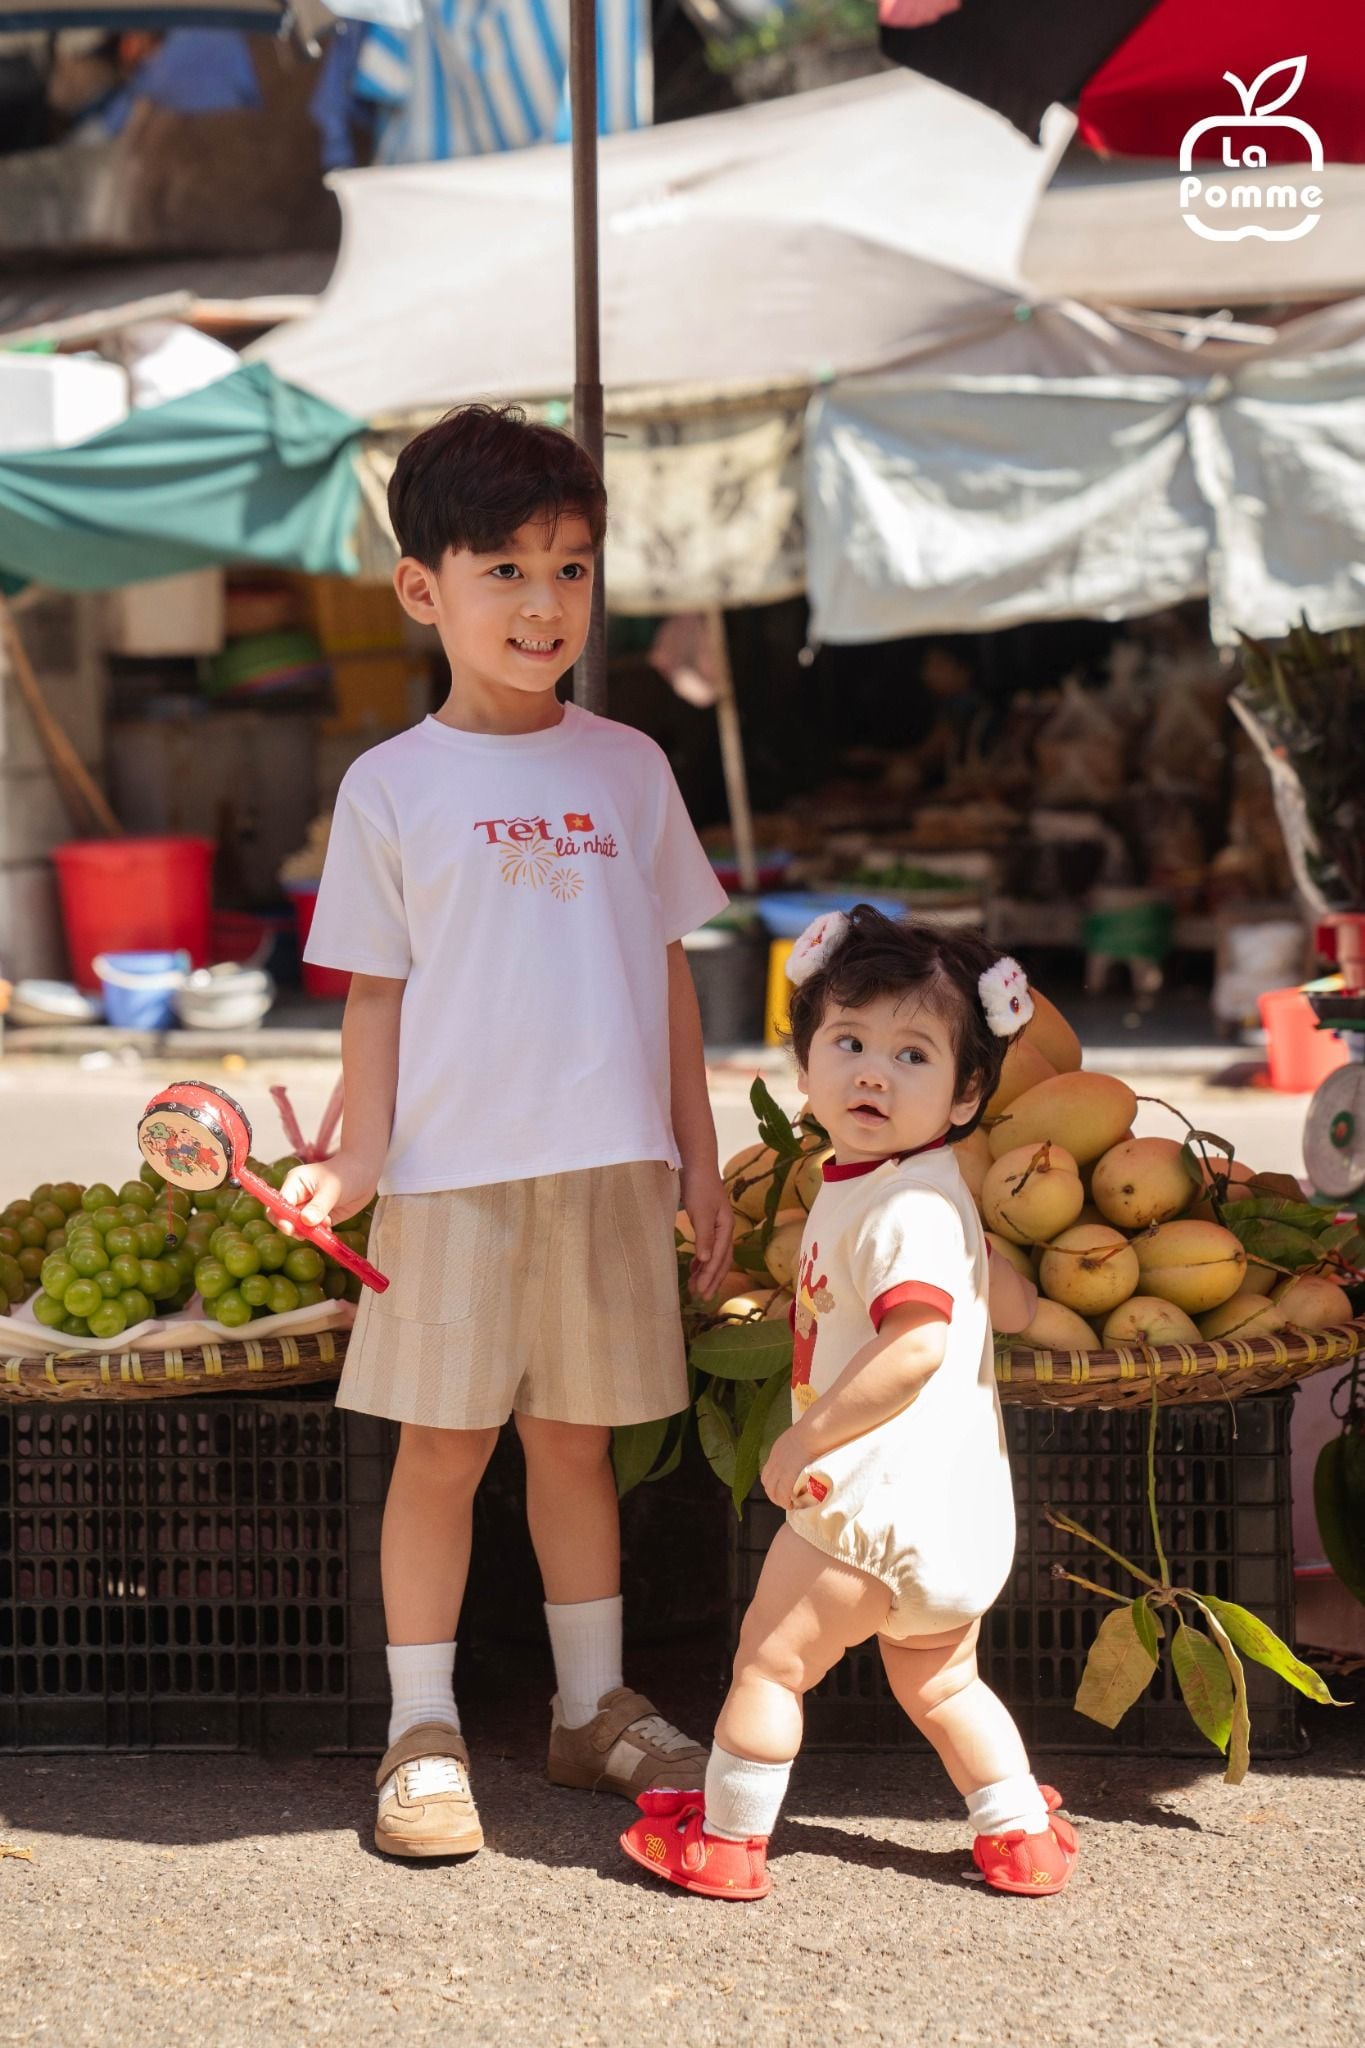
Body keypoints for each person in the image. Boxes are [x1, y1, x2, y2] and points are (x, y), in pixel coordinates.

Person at [284, 404, 733, 1860]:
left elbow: (667, 971)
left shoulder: (628, 767)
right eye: (507, 572)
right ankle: (421, 1728)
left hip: (610, 1166)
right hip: (448, 1176)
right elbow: (376, 990)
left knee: (576, 1447)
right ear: (423, 589)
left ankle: (591, 1706)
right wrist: (356, 1161)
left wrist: (700, 1152)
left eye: (573, 570)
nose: (546, 605)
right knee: (441, 1451)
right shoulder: (390, 787)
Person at [620, 907, 1080, 1899]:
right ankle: (1018, 1832)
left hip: (864, 1506)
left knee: (770, 1665)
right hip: (958, 1519)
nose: (874, 1070)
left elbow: (914, 1343)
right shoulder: (925, 1184)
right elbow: (1002, 1294)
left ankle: (731, 1839)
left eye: (913, 1053)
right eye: (850, 1041)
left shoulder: (903, 1205)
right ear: (805, 1065)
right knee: (945, 1681)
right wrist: (1023, 1297)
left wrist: (809, 1433)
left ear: (965, 1094)